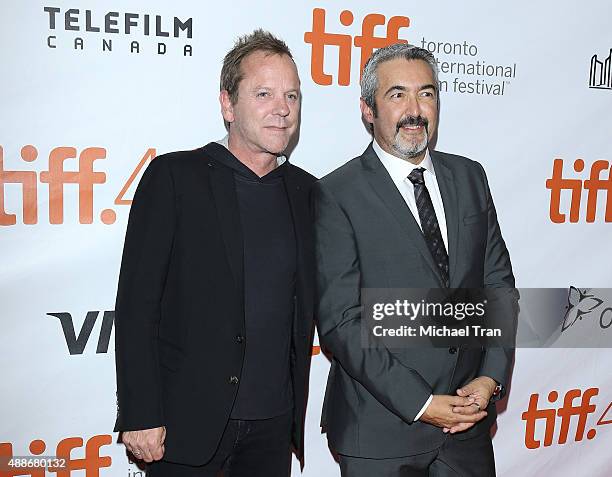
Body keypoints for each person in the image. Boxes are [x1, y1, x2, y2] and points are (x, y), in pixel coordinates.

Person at [114, 29, 316, 476]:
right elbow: (136, 305)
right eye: (263, 93)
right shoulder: (174, 178)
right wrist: (140, 412)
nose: (282, 109)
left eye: (292, 96)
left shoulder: (308, 192)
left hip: (273, 426)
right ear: (228, 104)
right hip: (186, 424)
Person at [314, 43, 517, 476]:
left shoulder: (470, 176)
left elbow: (498, 286)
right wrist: (423, 404)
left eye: (426, 93)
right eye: (397, 94)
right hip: (381, 432)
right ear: (368, 109)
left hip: (467, 428)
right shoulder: (336, 194)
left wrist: (490, 377)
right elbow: (342, 320)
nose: (415, 109)